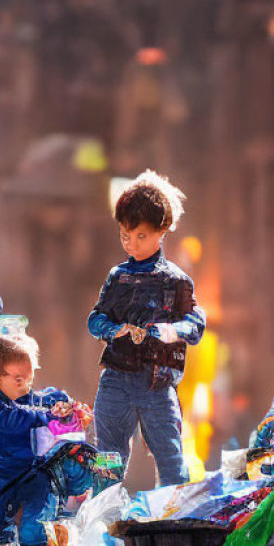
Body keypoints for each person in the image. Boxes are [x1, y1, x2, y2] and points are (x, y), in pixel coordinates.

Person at [88, 170, 206, 486]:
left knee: (170, 459)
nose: (132, 244)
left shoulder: (176, 281)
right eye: (125, 236)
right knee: (106, 461)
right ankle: (103, 524)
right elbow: (95, 319)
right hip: (115, 380)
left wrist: (165, 332)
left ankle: (171, 521)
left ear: (161, 232)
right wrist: (115, 331)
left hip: (158, 383)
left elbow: (195, 325)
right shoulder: (117, 277)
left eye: (141, 236)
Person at [0, 334, 94, 546]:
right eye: (18, 379)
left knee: (35, 526)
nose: (25, 386)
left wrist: (70, 411)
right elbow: (15, 419)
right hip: (3, 472)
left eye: (29, 379)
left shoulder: (35, 399)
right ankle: (2, 540)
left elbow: (52, 404)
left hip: (36, 472)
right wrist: (45, 416)